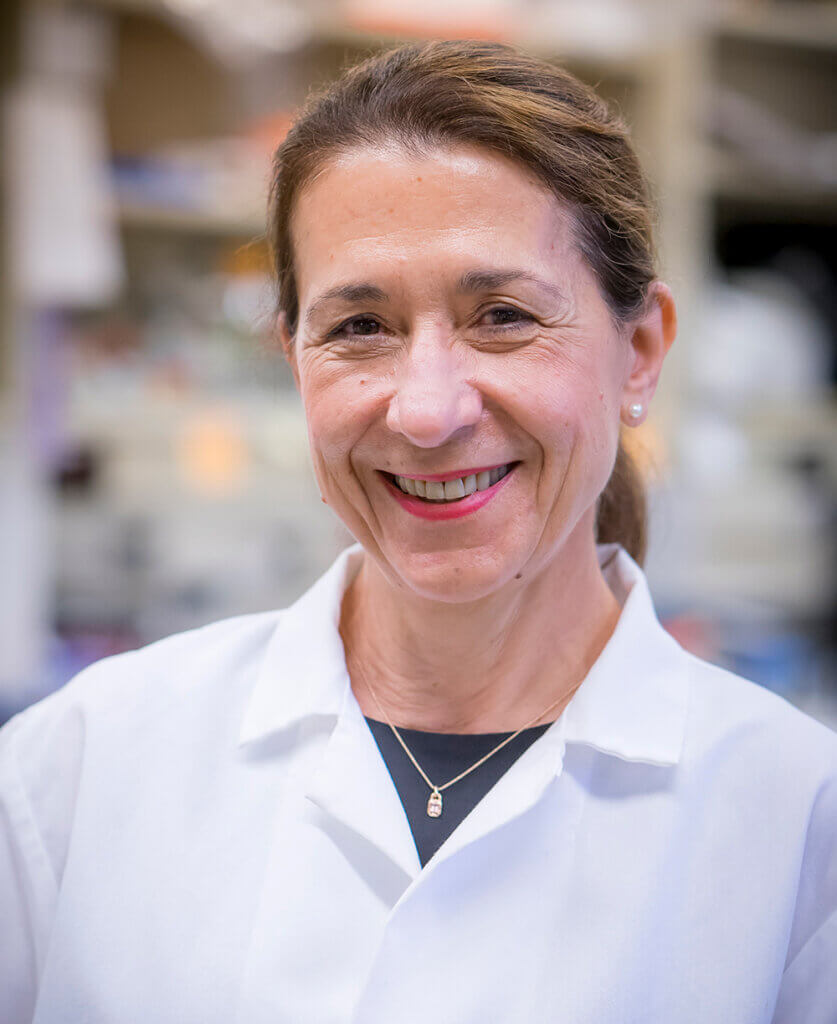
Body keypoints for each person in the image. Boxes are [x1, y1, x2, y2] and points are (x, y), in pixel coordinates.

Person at [1, 39, 835, 1024]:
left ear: (641, 350)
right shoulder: (79, 765)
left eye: (504, 315)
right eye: (360, 327)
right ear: (293, 356)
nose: (426, 412)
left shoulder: (800, 822)